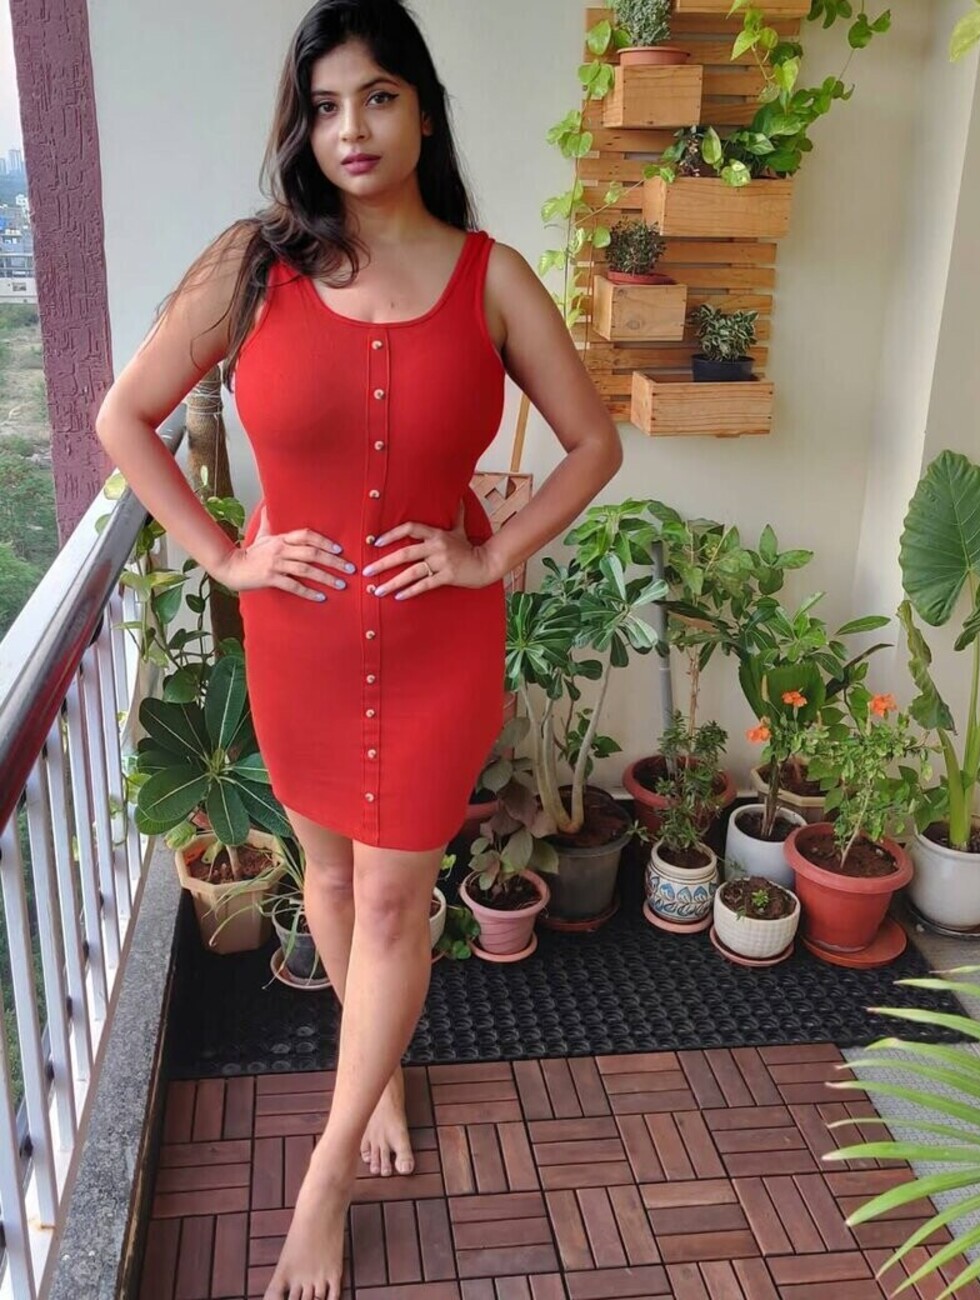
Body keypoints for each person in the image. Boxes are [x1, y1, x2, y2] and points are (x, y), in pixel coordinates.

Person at [96, 1, 621, 1296]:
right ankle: (371, 1079)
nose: (352, 128)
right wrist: (226, 556)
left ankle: (324, 1176)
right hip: (302, 645)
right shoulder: (252, 266)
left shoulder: (492, 275)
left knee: (392, 899)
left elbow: (593, 443)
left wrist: (492, 554)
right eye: (325, 105)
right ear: (303, 126)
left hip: (440, 645)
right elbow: (125, 418)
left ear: (423, 111)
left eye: (378, 96)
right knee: (327, 883)